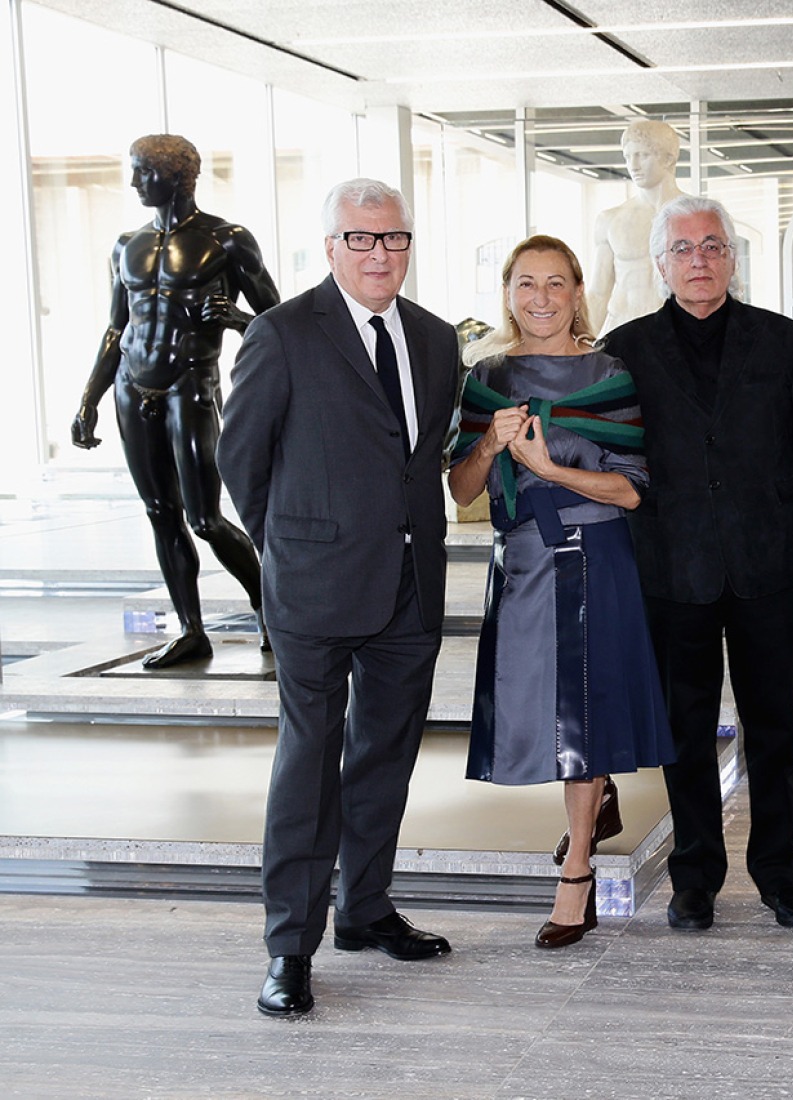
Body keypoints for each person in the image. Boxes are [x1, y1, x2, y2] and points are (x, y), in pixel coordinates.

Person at [219, 178, 461, 1018]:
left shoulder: (434, 339)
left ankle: (365, 909)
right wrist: (294, 544)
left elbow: (419, 457)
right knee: (307, 771)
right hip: (315, 590)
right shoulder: (280, 334)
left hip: (408, 587)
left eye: (392, 238)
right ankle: (290, 947)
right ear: (330, 248)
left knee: (385, 757)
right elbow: (241, 464)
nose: (379, 253)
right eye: (360, 239)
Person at [602, 195, 793, 932]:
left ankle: (780, 875)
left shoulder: (786, 343)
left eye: (712, 246)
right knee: (685, 730)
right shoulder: (622, 351)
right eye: (684, 248)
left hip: (767, 565)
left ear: (731, 257)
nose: (699, 259)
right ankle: (694, 875)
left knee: (774, 729)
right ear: (662, 263)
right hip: (670, 570)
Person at [448, 235, 673, 949]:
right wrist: (489, 446)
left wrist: (548, 465)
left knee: (585, 714)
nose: (540, 297)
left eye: (555, 283)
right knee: (531, 711)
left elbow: (632, 492)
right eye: (525, 284)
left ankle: (575, 871)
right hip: (519, 562)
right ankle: (596, 798)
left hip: (595, 555)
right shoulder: (484, 376)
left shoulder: (611, 373)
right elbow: (461, 492)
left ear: (578, 292)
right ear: (508, 293)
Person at [72, 134, 277, 669]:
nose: (133, 182)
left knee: (205, 517)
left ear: (176, 176)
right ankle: (191, 629)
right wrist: (89, 398)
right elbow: (117, 329)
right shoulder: (126, 245)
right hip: (131, 390)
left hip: (192, 385)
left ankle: (270, 609)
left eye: (141, 171)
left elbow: (281, 325)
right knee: (159, 512)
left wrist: (234, 319)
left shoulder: (226, 240)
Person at [586, 120, 686, 334]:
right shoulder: (611, 220)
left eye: (642, 155)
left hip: (681, 335)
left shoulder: (697, 218)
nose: (633, 165)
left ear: (668, 158)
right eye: (628, 156)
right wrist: (578, 354)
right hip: (624, 328)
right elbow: (597, 294)